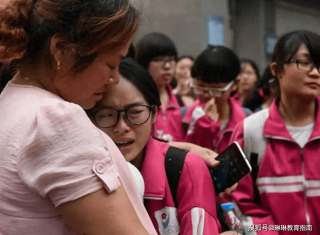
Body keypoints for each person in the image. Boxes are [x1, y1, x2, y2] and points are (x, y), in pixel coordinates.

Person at [0, 0, 157, 234]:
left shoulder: (12, 100)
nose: (114, 78)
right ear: (62, 50)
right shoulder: (55, 119)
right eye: (110, 64)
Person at [87, 58, 239, 235]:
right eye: (106, 115)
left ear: (154, 114)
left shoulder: (187, 168)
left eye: (135, 112)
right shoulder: (80, 172)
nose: (121, 127)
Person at [230, 30, 320, 235]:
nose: (315, 72)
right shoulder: (249, 131)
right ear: (276, 70)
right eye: (304, 63)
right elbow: (235, 202)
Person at [183, 45, 251, 154]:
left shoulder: (248, 122)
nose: (206, 95)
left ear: (235, 84)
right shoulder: (182, 119)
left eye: (215, 89)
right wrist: (203, 128)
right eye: (200, 87)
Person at [135, 32, 185, 142]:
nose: (167, 66)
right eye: (158, 59)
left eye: (171, 59)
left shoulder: (180, 103)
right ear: (144, 63)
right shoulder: (136, 102)